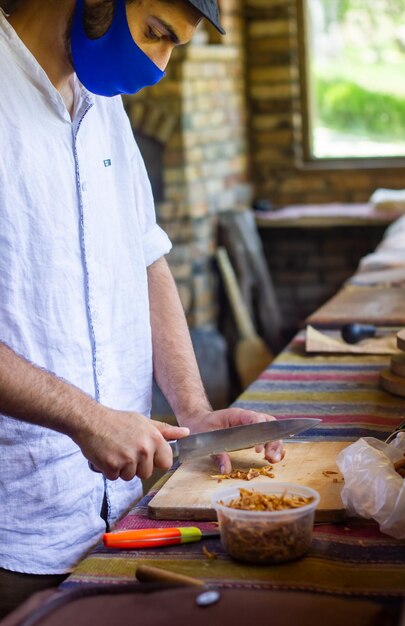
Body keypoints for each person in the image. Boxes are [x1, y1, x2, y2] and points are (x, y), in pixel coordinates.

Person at [0, 0, 284, 617]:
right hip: (17, 525)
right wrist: (86, 418)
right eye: (155, 33)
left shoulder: (104, 106)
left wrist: (194, 410)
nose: (158, 67)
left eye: (173, 46)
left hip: (122, 507)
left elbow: (146, 259)